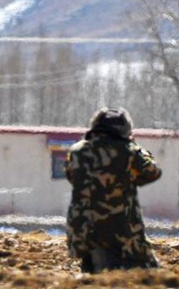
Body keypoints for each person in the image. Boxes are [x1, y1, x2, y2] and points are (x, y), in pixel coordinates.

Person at [65, 107, 162, 273]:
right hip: (121, 234)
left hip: (82, 232)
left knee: (91, 276)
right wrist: (134, 147)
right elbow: (153, 171)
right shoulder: (129, 152)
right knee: (147, 273)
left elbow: (71, 175)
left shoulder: (76, 152)